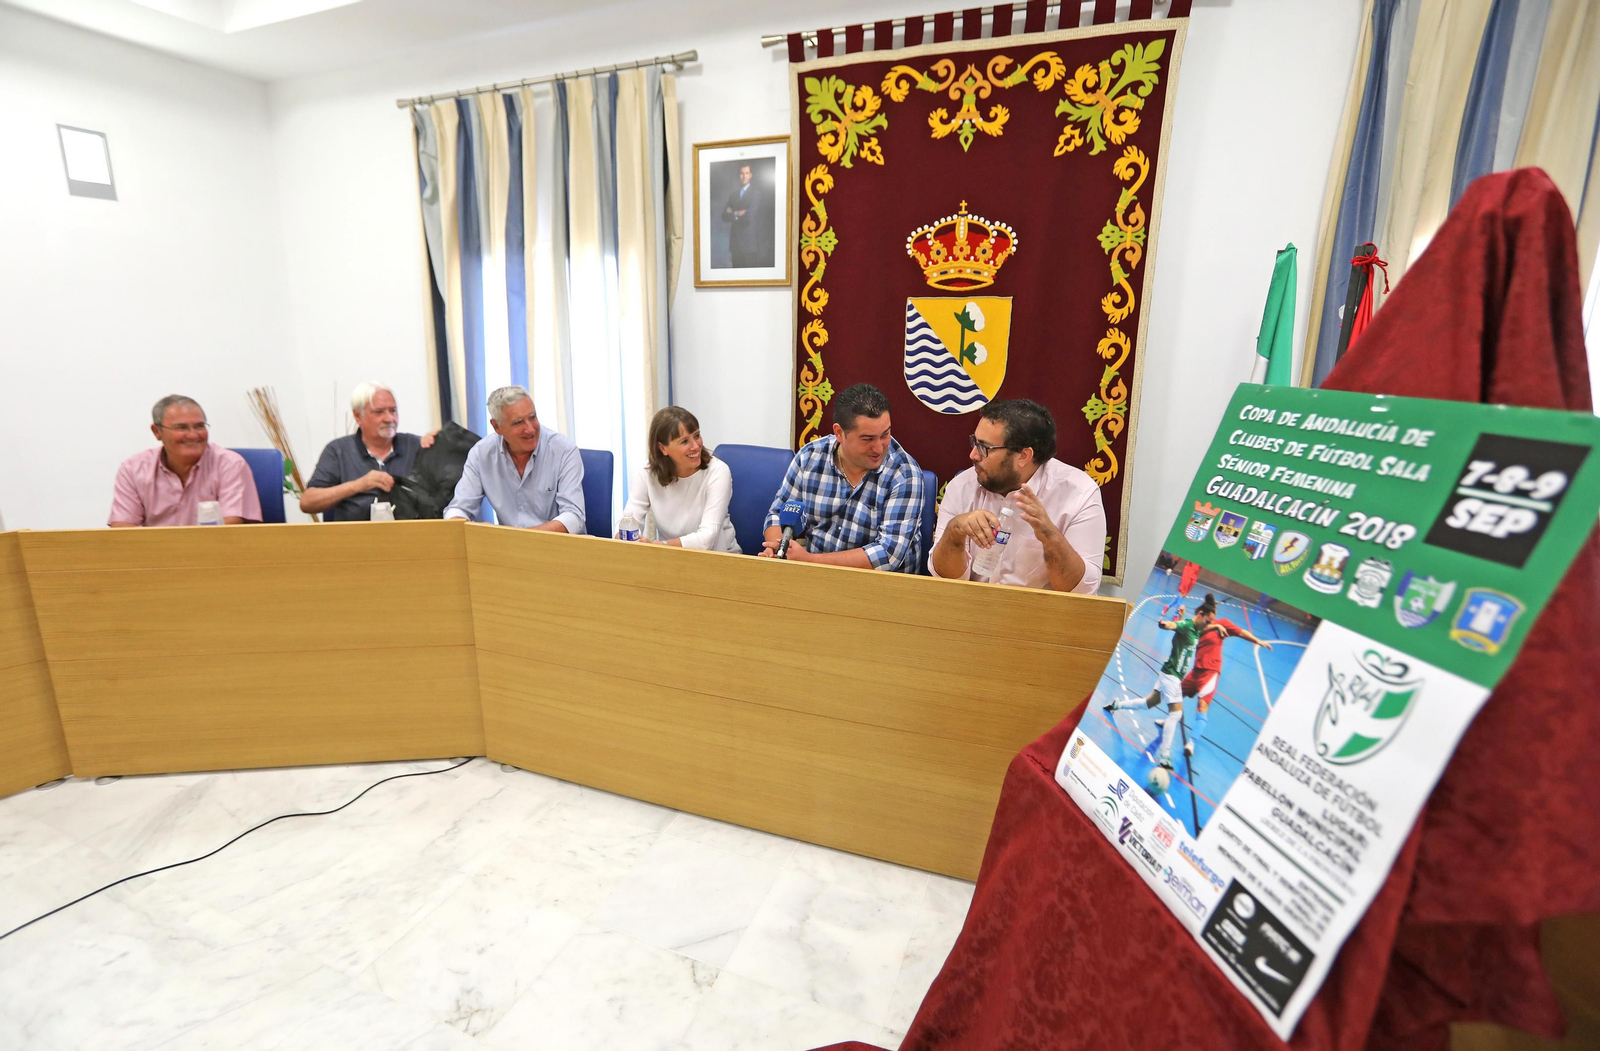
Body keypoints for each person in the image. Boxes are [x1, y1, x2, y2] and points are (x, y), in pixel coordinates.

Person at [929, 398, 1104, 592]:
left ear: (1023, 456)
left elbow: (1081, 591)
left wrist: (1049, 536)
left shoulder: (1079, 493)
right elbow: (944, 579)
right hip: (972, 610)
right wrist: (956, 530)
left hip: (1041, 615)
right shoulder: (963, 486)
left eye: (984, 448)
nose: (973, 455)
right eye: (975, 442)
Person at [761, 383, 925, 572]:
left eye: (885, 435)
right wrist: (779, 549)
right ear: (839, 433)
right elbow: (778, 515)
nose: (879, 448)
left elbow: (888, 555)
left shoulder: (904, 473)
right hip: (813, 577)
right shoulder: (810, 457)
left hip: (881, 589)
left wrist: (809, 561)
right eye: (867, 439)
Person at [444, 385, 585, 532]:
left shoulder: (564, 450)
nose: (530, 429)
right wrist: (473, 529)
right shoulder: (481, 454)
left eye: (532, 417)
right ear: (497, 426)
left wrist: (520, 539)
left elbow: (573, 517)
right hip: (507, 549)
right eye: (518, 422)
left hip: (557, 547)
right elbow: (457, 508)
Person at [1102, 594, 1218, 769]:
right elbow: (1174, 626)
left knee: (1148, 703)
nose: (1209, 625)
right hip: (1171, 675)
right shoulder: (1187, 625)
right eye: (1208, 621)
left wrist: (1181, 616)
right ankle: (1165, 756)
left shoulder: (1194, 629)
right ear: (1200, 614)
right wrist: (1165, 624)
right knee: (1176, 714)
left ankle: (1118, 704)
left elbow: (1181, 630)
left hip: (1172, 676)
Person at [109, 395, 262, 527]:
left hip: (213, 555)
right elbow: (123, 528)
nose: (193, 435)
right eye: (181, 428)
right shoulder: (133, 469)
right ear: (157, 432)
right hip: (156, 557)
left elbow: (230, 528)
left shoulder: (230, 465)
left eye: (199, 426)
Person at [299, 383, 437, 521]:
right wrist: (358, 485)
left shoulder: (416, 446)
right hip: (354, 538)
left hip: (410, 536)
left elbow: (449, 493)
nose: (389, 419)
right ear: (358, 416)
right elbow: (307, 502)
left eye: (393, 411)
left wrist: (443, 446)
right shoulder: (338, 451)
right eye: (379, 412)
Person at [617, 406, 739, 551]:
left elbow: (708, 538)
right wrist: (623, 538)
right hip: (669, 558)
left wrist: (656, 546)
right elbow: (631, 519)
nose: (696, 446)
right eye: (684, 441)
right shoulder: (648, 473)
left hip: (718, 559)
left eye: (697, 435)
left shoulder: (718, 471)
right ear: (663, 448)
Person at [1172, 609, 1273, 759]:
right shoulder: (1199, 626)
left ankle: (1191, 743)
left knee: (1202, 706)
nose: (1212, 617)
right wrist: (1181, 616)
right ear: (1202, 614)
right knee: (1174, 696)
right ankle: (1169, 722)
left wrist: (1257, 640)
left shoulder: (1223, 624)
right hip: (1196, 670)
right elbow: (1184, 631)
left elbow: (1241, 632)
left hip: (1211, 671)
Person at [721, 163, 764, 268]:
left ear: (751, 175)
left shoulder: (755, 193)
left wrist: (732, 212)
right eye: (741, 173)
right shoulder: (733, 195)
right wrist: (738, 213)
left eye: (746, 173)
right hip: (735, 242)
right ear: (739, 175)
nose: (744, 176)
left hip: (748, 244)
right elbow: (724, 216)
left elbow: (749, 217)